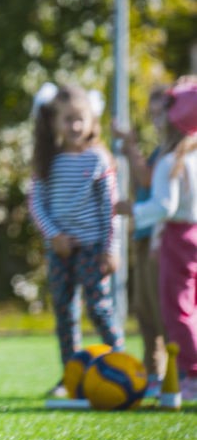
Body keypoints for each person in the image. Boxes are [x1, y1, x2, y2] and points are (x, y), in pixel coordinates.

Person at [29, 82, 122, 389]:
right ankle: (71, 375)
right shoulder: (47, 160)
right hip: (60, 251)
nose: (75, 126)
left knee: (99, 309)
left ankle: (121, 365)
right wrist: (54, 236)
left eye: (81, 119)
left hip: (93, 249)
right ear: (54, 121)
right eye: (68, 119)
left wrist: (110, 249)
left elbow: (110, 208)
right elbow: (37, 203)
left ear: (92, 119)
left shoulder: (98, 159)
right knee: (64, 312)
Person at [121, 80, 197, 400]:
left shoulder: (171, 161)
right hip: (188, 234)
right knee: (188, 308)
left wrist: (133, 210)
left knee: (175, 310)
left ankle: (191, 374)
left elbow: (164, 206)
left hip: (178, 237)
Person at [117, 84, 170, 382]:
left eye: (162, 113)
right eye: (153, 114)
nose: (157, 121)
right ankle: (153, 372)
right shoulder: (160, 150)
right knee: (144, 308)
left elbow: (147, 179)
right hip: (144, 235)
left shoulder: (177, 150)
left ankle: (180, 373)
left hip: (161, 239)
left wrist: (130, 146)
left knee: (162, 310)